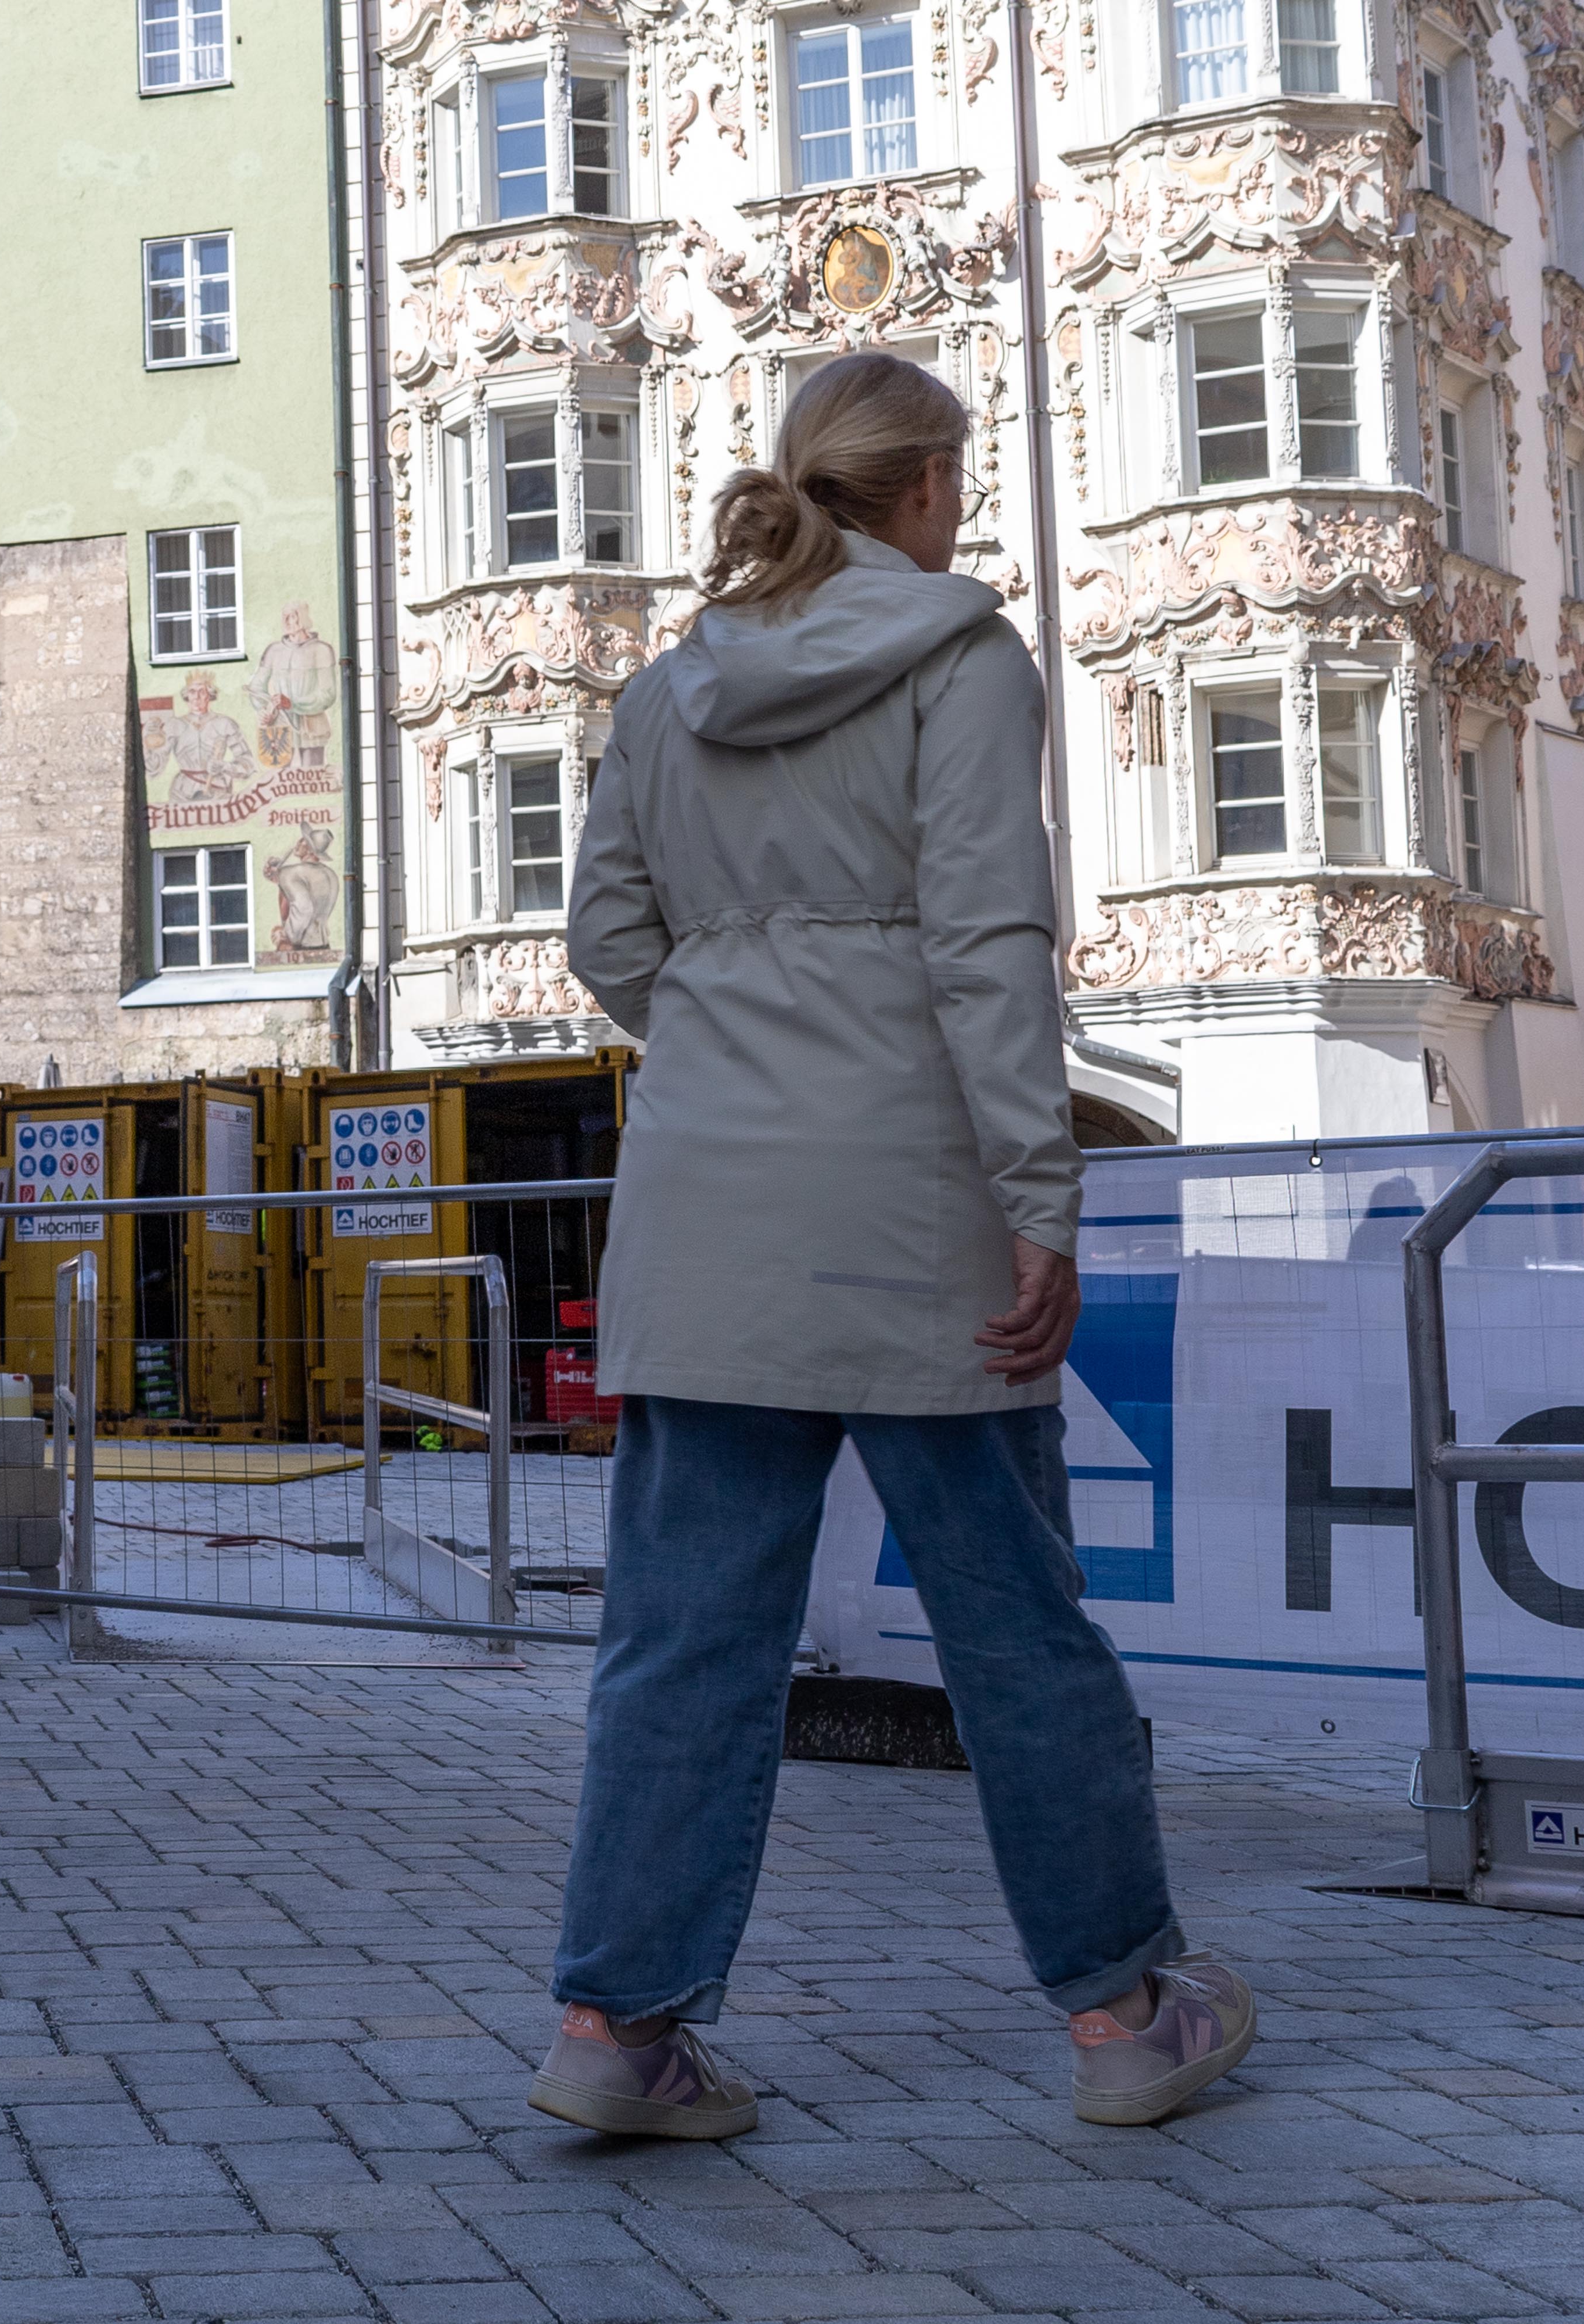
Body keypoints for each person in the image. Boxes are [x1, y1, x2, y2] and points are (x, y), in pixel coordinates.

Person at [536, 353, 1252, 2140]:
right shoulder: (962, 659)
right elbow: (989, 950)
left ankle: (619, 2034)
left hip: (702, 1207)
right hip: (911, 1203)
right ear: (927, 486)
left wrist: (727, 1025)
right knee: (1016, 1630)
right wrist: (1040, 1196)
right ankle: (1123, 2021)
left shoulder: (667, 688)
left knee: (683, 1641)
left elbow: (605, 938)